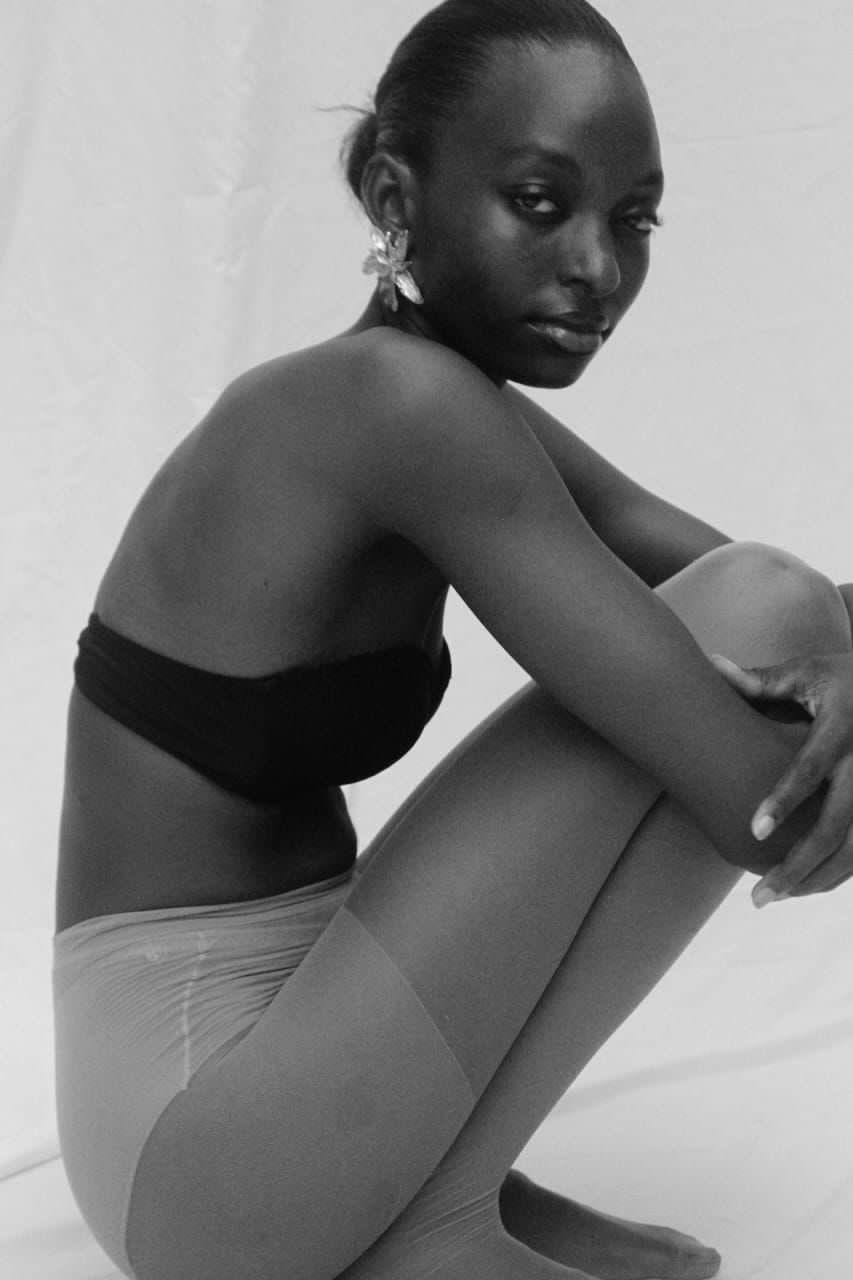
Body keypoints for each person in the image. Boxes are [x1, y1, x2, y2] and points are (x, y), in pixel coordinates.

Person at [52, 3, 853, 1279]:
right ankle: (421, 1229)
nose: (597, 265)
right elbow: (760, 790)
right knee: (765, 612)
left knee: (778, 609)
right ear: (394, 196)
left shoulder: (431, 398)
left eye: (633, 221)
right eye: (540, 202)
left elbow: (782, 606)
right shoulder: (396, 406)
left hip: (287, 1054)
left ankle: (439, 1197)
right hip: (193, 1132)